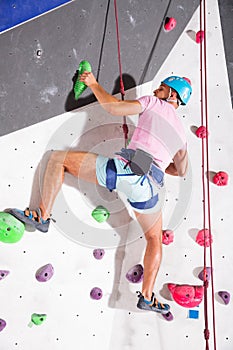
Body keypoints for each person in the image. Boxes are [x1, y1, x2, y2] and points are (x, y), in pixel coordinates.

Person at [6, 72, 192, 314]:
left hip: (129, 172)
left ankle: (41, 216)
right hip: (151, 188)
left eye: (161, 88)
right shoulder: (182, 135)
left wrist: (93, 84)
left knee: (57, 160)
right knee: (154, 239)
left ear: (172, 94)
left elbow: (113, 107)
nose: (157, 90)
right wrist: (153, 162)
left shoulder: (153, 103)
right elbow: (181, 170)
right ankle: (146, 296)